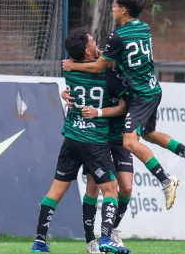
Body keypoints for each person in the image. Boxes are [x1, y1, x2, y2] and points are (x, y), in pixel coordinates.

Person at [62, 0, 185, 211]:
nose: (112, 7)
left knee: (129, 141)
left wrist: (73, 66)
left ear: (122, 10)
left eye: (114, 4)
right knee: (149, 134)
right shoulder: (144, 28)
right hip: (153, 89)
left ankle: (165, 180)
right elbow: (117, 57)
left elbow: (99, 67)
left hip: (140, 95)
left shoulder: (117, 36)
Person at [31, 28, 130, 254]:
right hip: (94, 140)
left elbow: (74, 84)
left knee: (55, 192)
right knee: (111, 189)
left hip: (71, 138)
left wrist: (66, 93)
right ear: (87, 51)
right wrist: (99, 112)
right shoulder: (105, 74)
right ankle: (105, 239)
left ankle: (39, 242)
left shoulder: (70, 71)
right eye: (93, 42)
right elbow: (123, 106)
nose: (98, 44)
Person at [61, 66, 133, 249]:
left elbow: (126, 106)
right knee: (93, 186)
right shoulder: (100, 66)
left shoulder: (127, 72)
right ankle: (92, 242)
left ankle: (112, 230)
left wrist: (98, 112)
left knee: (126, 187)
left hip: (118, 136)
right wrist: (66, 93)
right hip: (95, 137)